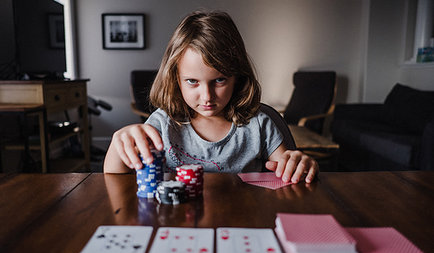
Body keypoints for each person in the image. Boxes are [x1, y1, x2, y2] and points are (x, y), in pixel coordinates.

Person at [104, 10, 318, 184]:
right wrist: (117, 144)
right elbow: (114, 180)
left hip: (243, 222)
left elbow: (289, 171)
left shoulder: (259, 126)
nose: (207, 97)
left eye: (219, 80)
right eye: (192, 81)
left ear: (238, 77)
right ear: (175, 79)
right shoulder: (161, 125)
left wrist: (299, 164)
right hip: (178, 223)